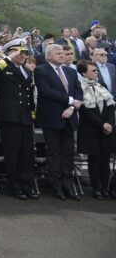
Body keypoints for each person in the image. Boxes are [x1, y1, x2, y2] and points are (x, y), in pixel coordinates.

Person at [0, 39, 38, 199]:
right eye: (20, 52)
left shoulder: (25, 70)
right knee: (12, 154)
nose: (23, 55)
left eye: (25, 52)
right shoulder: (4, 68)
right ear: (11, 52)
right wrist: (7, 59)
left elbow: (29, 94)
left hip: (25, 117)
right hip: (9, 117)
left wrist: (32, 114)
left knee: (27, 154)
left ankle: (27, 186)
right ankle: (14, 187)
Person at [35, 43, 84, 200]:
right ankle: (56, 186)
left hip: (69, 118)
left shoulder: (70, 71)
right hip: (52, 118)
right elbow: (46, 91)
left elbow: (78, 91)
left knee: (68, 154)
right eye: (58, 53)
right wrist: (70, 100)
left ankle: (68, 186)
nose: (62, 55)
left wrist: (71, 108)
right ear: (49, 56)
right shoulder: (41, 70)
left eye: (63, 53)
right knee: (54, 153)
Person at [76, 60, 114, 199]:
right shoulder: (80, 86)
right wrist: (101, 124)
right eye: (93, 71)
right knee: (95, 158)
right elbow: (85, 110)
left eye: (97, 70)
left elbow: (110, 105)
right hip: (91, 128)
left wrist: (109, 123)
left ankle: (105, 188)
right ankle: (96, 188)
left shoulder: (101, 85)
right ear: (84, 72)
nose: (96, 73)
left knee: (105, 158)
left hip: (107, 128)